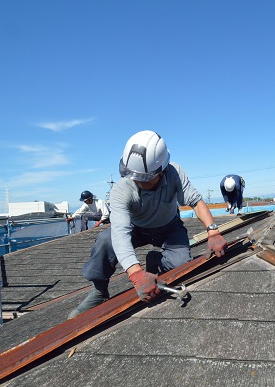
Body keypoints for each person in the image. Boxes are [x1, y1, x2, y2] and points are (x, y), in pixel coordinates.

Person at [68, 130, 227, 319]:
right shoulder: (122, 189)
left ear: (162, 169)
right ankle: (99, 291)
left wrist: (213, 231)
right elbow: (120, 233)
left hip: (169, 227)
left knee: (182, 266)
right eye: (135, 177)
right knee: (105, 240)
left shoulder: (175, 172)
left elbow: (195, 201)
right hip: (137, 229)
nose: (138, 181)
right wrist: (136, 275)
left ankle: (155, 260)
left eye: (145, 177)